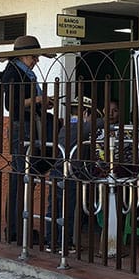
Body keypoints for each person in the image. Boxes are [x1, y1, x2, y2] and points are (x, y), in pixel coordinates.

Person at [0, 35, 53, 243]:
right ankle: (16, 230)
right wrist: (38, 99)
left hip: (30, 126)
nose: (36, 60)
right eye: (33, 56)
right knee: (21, 177)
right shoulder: (13, 73)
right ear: (22, 56)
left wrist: (41, 104)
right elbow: (12, 105)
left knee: (23, 176)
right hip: (23, 129)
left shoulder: (25, 73)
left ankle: (18, 229)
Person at [48, 93, 100, 253]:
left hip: (56, 171)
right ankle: (65, 242)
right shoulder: (81, 126)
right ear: (85, 113)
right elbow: (101, 123)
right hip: (69, 173)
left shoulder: (66, 125)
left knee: (54, 208)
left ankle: (51, 241)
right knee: (68, 209)